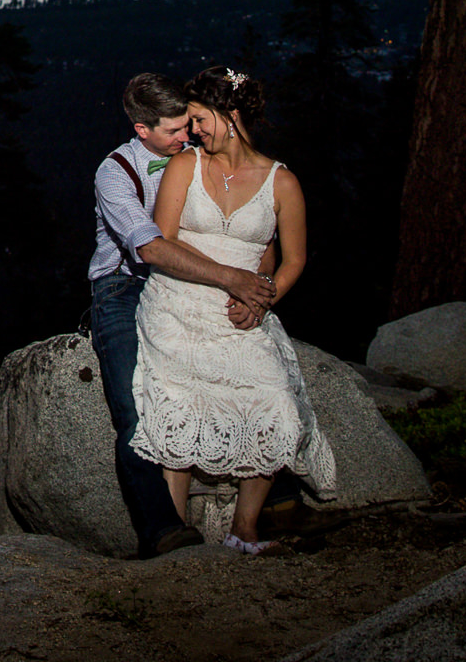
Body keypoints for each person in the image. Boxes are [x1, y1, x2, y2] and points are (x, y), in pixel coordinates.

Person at [130, 65, 338, 553]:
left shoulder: (281, 182)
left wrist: (263, 300)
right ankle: (176, 530)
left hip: (244, 309)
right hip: (178, 298)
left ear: (231, 115)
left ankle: (244, 529)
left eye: (200, 120)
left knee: (277, 402)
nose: (193, 131)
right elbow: (165, 238)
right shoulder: (185, 166)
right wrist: (229, 278)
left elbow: (295, 259)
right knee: (178, 403)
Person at [88, 72, 278, 556]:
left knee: (245, 369)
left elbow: (255, 224)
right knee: (135, 403)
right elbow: (149, 247)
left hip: (193, 278)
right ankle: (162, 529)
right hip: (123, 285)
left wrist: (251, 291)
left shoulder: (200, 155)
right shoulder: (116, 172)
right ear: (141, 131)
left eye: (188, 126)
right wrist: (231, 278)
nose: (186, 135)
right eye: (174, 131)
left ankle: (278, 497)